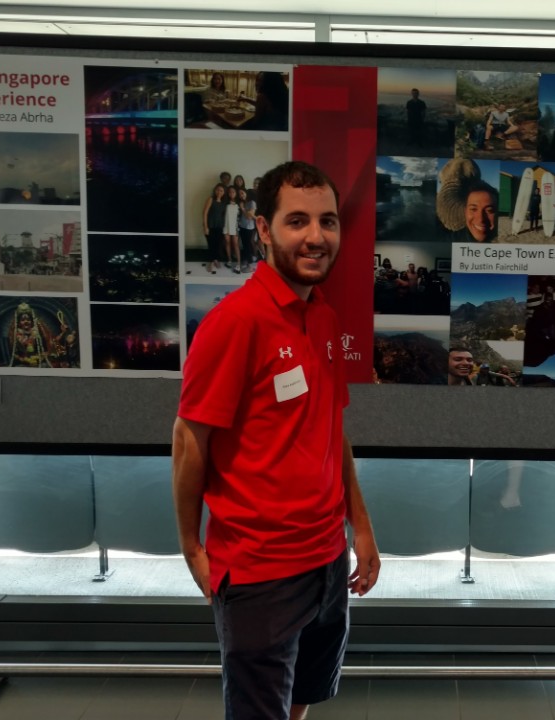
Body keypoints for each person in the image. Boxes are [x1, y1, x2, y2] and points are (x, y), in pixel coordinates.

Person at [173, 161, 380, 720]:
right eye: (297, 221)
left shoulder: (326, 319)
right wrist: (192, 547)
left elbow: (331, 431)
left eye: (328, 221)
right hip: (261, 572)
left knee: (302, 701)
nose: (316, 237)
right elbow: (189, 439)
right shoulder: (234, 323)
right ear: (262, 229)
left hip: (327, 560)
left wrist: (359, 526)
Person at [202, 183, 226, 274]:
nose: (219, 192)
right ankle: (211, 262)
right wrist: (205, 226)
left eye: (221, 190)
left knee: (217, 244)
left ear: (224, 192)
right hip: (210, 226)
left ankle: (216, 260)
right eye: (218, 190)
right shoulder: (211, 199)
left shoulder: (224, 203)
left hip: (219, 226)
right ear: (215, 190)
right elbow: (204, 213)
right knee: (211, 244)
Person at [222, 184, 242, 273]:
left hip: (235, 227)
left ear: (236, 193)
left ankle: (238, 263)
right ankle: (229, 260)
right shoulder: (225, 202)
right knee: (227, 243)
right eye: (229, 192)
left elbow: (240, 217)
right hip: (226, 226)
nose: (231, 193)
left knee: (236, 244)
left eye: (233, 192)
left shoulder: (239, 203)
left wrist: (238, 229)